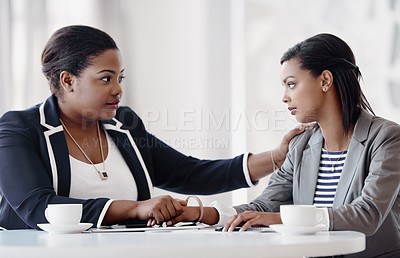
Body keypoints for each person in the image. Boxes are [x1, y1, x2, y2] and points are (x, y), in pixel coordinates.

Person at [0, 25, 307, 230]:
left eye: (120, 78)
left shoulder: (125, 125)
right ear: (68, 80)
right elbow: (38, 207)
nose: (117, 90)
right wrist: (135, 209)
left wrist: (278, 156)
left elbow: (189, 173)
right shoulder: (19, 129)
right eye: (105, 78)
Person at [170, 33, 400, 257]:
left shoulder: (386, 138)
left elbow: (367, 214)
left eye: (291, 84)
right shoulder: (300, 146)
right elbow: (264, 207)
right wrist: (204, 214)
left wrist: (283, 220)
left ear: (325, 80)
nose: (284, 97)